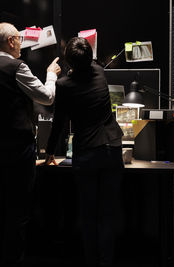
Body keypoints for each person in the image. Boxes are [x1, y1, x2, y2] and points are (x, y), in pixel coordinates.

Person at [0, 22, 61, 266]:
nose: (21, 45)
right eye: (19, 40)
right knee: (18, 211)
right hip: (18, 150)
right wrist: (51, 75)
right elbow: (46, 96)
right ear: (11, 41)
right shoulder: (16, 67)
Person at [42, 37, 124, 267]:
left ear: (69, 61)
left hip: (87, 151)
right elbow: (89, 63)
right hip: (112, 148)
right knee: (108, 213)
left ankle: (91, 261)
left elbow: (59, 122)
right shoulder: (99, 72)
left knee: (88, 213)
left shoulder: (64, 85)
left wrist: (49, 151)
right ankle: (106, 261)